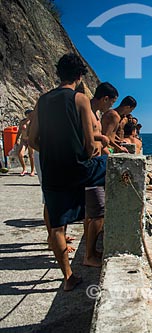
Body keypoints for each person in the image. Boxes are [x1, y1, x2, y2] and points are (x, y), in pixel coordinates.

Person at [28, 53, 107, 291]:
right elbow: (90, 144)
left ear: (58, 73)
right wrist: (92, 150)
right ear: (80, 75)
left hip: (52, 170)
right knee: (109, 167)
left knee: (57, 226)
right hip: (78, 169)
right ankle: (93, 232)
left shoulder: (42, 101)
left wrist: (53, 152)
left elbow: (32, 140)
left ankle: (68, 277)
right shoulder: (80, 99)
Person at [83, 82, 118, 267]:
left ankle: (91, 251)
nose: (110, 107)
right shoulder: (86, 111)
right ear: (105, 98)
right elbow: (81, 135)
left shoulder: (95, 113)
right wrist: (101, 138)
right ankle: (88, 256)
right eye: (111, 103)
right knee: (99, 214)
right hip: (90, 167)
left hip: (95, 164)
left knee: (92, 213)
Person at [15, 109, 36, 176]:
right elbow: (19, 132)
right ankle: (24, 169)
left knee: (31, 155)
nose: (30, 115)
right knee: (20, 154)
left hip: (30, 140)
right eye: (29, 114)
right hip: (23, 140)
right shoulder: (22, 122)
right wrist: (16, 140)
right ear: (26, 115)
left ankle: (32, 170)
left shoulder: (33, 122)